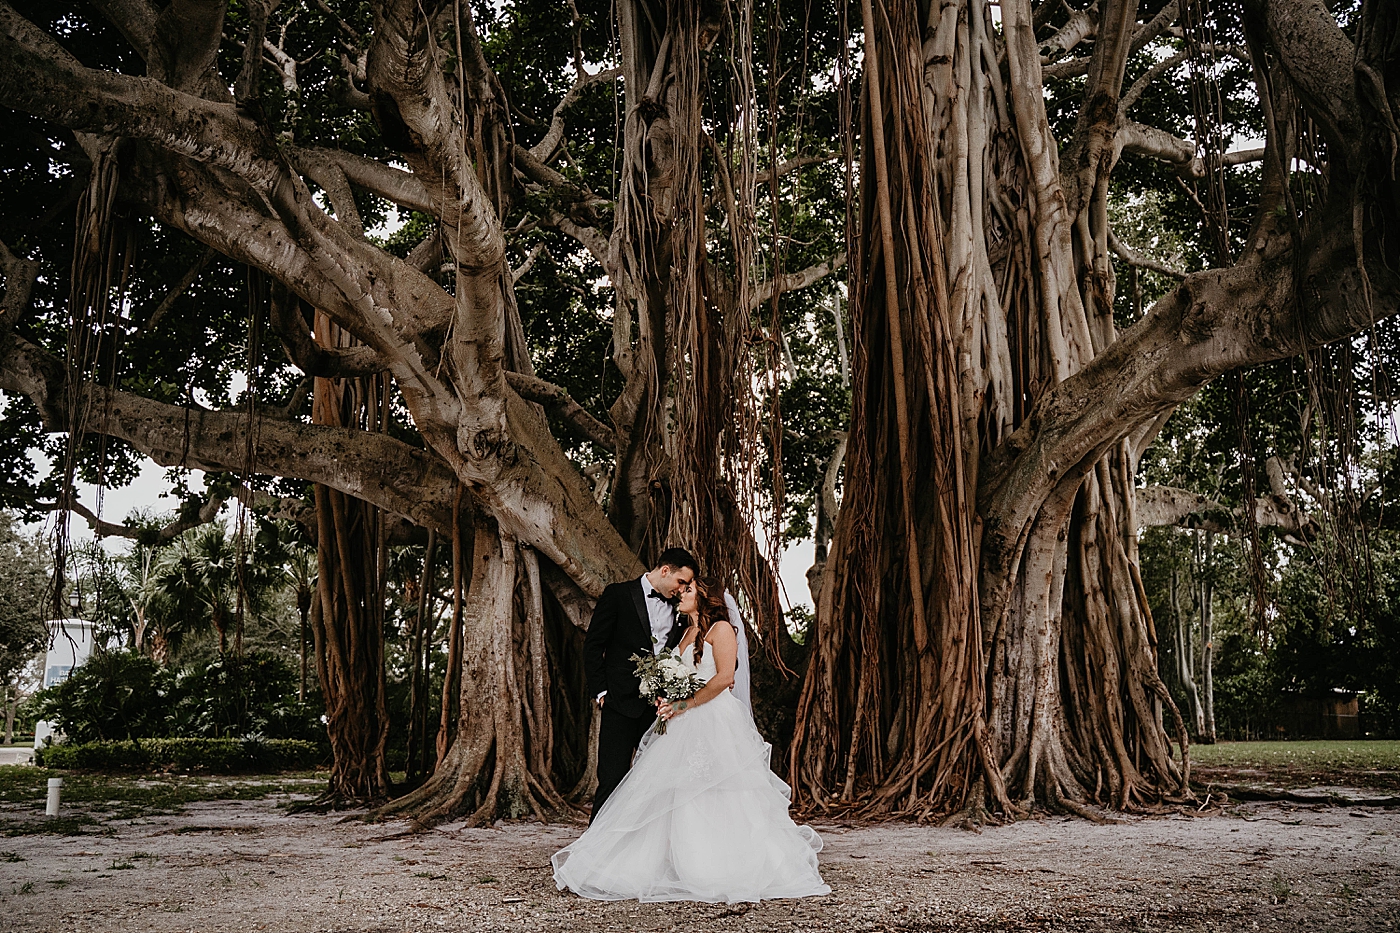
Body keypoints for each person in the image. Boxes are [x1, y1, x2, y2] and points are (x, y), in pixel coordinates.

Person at [554, 576, 830, 904]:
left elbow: (725, 677)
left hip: (713, 719)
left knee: (715, 789)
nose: (680, 594)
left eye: (687, 590)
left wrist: (687, 702)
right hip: (683, 720)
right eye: (680, 589)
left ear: (704, 595)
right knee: (671, 790)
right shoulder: (685, 632)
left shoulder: (722, 630)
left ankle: (715, 864)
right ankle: (668, 860)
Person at [583, 547, 698, 821]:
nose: (682, 590)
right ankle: (595, 852)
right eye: (681, 582)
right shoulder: (618, 595)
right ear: (665, 570)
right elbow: (593, 645)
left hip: (660, 709)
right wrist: (601, 693)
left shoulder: (681, 610)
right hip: (619, 703)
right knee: (611, 778)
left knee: (657, 783)